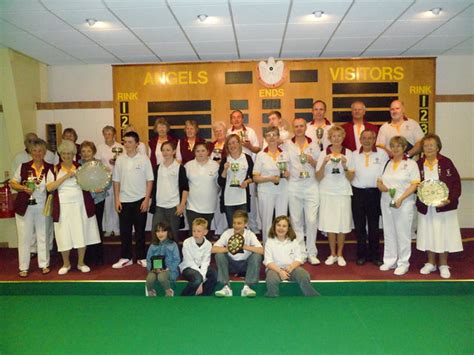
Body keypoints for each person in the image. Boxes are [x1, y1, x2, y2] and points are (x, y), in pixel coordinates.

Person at [46, 140, 100, 275]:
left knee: (81, 233)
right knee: (63, 235)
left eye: (69, 153)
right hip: (62, 208)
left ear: (74, 154)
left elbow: (88, 184)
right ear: (60, 154)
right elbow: (49, 187)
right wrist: (65, 177)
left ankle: (81, 263)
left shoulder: (80, 167)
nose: (66, 156)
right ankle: (66, 264)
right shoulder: (54, 169)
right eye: (63, 153)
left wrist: (96, 187)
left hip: (80, 205)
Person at [416, 134, 463, 279]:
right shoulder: (418, 164)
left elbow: (456, 184)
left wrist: (449, 199)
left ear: (438, 147)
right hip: (426, 207)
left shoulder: (446, 162)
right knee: (428, 234)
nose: (428, 148)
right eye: (426, 145)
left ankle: (443, 264)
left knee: (443, 235)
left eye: (432, 145)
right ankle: (430, 263)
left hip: (445, 207)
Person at [10, 139, 54, 277]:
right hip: (25, 206)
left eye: (40, 150)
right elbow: (13, 183)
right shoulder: (23, 166)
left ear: (45, 152)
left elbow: (52, 187)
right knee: (24, 237)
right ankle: (23, 267)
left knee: (43, 236)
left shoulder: (50, 167)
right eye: (34, 150)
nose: (37, 153)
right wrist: (23, 188)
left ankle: (44, 264)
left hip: (43, 206)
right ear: (30, 152)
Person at [377, 136, 420, 276]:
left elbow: (414, 184)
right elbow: (380, 180)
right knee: (388, 232)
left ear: (404, 148)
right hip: (386, 202)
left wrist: (401, 198)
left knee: (403, 233)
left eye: (398, 146)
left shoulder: (411, 164)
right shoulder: (387, 163)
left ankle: (403, 263)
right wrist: (381, 186)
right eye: (393, 146)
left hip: (404, 202)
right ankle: (390, 260)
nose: (395, 149)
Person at [112, 131, 154, 269]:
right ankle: (126, 257)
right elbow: (116, 181)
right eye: (125, 142)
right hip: (124, 201)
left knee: (140, 232)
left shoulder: (144, 159)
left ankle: (141, 257)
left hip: (140, 200)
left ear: (137, 144)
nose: (127, 144)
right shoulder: (120, 159)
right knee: (125, 232)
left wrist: (147, 199)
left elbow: (150, 180)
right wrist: (117, 199)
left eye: (130, 142)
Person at [283, 118, 321, 264]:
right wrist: (285, 172)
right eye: (296, 126)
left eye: (301, 126)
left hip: (311, 185)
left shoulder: (314, 144)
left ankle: (312, 252)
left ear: (306, 127)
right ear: (293, 128)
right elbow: (283, 162)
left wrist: (312, 161)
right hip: (295, 185)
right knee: (296, 220)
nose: (299, 128)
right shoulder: (288, 144)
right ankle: (301, 252)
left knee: (311, 220)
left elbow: (320, 165)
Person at [316, 126, 355, 267]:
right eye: (334, 136)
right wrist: (324, 163)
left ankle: (340, 254)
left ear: (343, 137)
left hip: (343, 192)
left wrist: (344, 166)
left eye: (339, 136)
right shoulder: (323, 154)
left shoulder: (349, 153)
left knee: (342, 224)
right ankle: (332, 254)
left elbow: (351, 177)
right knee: (330, 224)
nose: (336, 138)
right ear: (330, 138)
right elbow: (318, 176)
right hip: (327, 192)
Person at [351, 130, 388, 266]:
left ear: (374, 139)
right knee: (359, 226)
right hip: (358, 193)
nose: (367, 140)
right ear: (360, 140)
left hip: (374, 193)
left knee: (374, 226)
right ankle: (361, 255)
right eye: (364, 138)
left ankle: (375, 255)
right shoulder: (354, 155)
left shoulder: (382, 154)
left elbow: (384, 172)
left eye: (370, 138)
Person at [212, 210, 263, 297]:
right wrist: (229, 248)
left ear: (245, 224)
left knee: (257, 256)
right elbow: (213, 249)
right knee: (219, 255)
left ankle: (247, 287)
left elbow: (262, 251)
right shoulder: (227, 233)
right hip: (231, 264)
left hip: (246, 265)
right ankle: (225, 287)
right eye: (234, 223)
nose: (236, 226)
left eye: (239, 223)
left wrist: (244, 246)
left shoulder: (250, 234)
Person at [264, 216, 319, 297]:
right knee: (271, 280)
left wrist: (290, 267)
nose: (281, 228)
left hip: (291, 268)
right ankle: (272, 297)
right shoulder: (270, 242)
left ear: (288, 228)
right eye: (278, 225)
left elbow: (298, 259)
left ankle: (312, 296)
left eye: (284, 226)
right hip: (275, 269)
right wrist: (280, 271)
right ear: (274, 226)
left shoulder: (293, 241)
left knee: (304, 275)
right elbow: (268, 261)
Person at [253, 127, 289, 242]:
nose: (272, 137)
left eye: (274, 135)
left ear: (278, 137)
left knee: (282, 221)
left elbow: (290, 173)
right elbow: (255, 177)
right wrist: (269, 178)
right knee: (267, 221)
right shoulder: (261, 155)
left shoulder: (285, 154)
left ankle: (281, 249)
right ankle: (267, 249)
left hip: (282, 190)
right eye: (269, 135)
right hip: (266, 191)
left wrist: (288, 174)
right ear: (265, 138)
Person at [226, 110, 260, 233]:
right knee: (233, 201)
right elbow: (226, 149)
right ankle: (234, 229)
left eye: (239, 117)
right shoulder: (228, 132)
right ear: (231, 120)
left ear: (242, 118)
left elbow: (257, 149)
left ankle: (253, 227)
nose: (236, 120)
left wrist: (248, 146)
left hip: (247, 168)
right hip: (233, 170)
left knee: (249, 201)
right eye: (234, 118)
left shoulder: (250, 131)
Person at [79, 141, 111, 265]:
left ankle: (98, 255)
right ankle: (86, 256)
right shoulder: (78, 166)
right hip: (84, 200)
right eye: (83, 151)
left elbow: (108, 181)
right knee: (85, 227)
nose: (86, 154)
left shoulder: (100, 165)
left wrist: (101, 187)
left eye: (88, 151)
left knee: (97, 226)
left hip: (98, 199)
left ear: (93, 152)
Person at [150, 141, 189, 242]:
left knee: (173, 235)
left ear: (174, 151)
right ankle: (157, 257)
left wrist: (182, 205)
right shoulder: (158, 167)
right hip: (159, 206)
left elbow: (185, 188)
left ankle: (174, 258)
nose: (165, 152)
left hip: (174, 207)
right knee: (156, 235)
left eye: (168, 150)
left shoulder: (180, 168)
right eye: (163, 150)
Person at [217, 134, 254, 228]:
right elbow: (220, 182)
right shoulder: (225, 160)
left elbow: (254, 177)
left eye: (234, 142)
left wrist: (246, 182)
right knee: (232, 227)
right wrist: (225, 169)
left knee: (243, 227)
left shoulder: (247, 158)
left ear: (239, 143)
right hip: (228, 199)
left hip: (242, 199)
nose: (232, 146)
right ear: (227, 146)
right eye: (229, 144)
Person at [95, 125, 123, 237]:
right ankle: (107, 228)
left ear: (114, 134)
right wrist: (104, 168)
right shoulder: (100, 147)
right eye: (105, 134)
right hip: (105, 179)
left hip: (118, 179)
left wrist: (116, 163)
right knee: (107, 204)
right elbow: (96, 163)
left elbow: (124, 162)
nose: (107, 136)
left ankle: (116, 228)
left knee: (116, 203)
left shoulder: (120, 147)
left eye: (110, 133)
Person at [179, 218, 217, 296]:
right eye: (194, 231)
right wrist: (200, 281)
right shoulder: (187, 243)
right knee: (197, 280)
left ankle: (205, 295)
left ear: (205, 232)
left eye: (199, 231)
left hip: (202, 267)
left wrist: (202, 279)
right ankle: (184, 296)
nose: (196, 233)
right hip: (188, 267)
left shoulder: (208, 244)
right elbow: (189, 262)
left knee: (214, 275)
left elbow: (205, 262)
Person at [185, 143, 219, 229]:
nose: (200, 153)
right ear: (194, 153)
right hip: (192, 206)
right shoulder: (188, 166)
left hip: (209, 206)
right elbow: (183, 186)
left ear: (208, 152)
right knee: (193, 233)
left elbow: (219, 184)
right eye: (198, 151)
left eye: (203, 151)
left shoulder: (215, 165)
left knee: (205, 233)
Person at [145, 222, 180, 297]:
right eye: (158, 231)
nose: (160, 233)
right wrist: (151, 269)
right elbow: (148, 259)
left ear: (168, 232)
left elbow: (177, 259)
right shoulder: (152, 245)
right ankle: (150, 291)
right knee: (150, 278)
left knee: (161, 277)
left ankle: (168, 291)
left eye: (163, 231)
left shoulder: (173, 244)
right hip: (154, 270)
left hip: (169, 270)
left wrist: (169, 268)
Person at [209, 121, 228, 236]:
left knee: (225, 203)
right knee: (216, 204)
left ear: (225, 131)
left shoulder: (230, 144)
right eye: (216, 131)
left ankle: (226, 228)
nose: (218, 133)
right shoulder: (211, 145)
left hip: (226, 176)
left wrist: (222, 163)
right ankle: (218, 229)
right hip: (214, 177)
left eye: (220, 130)